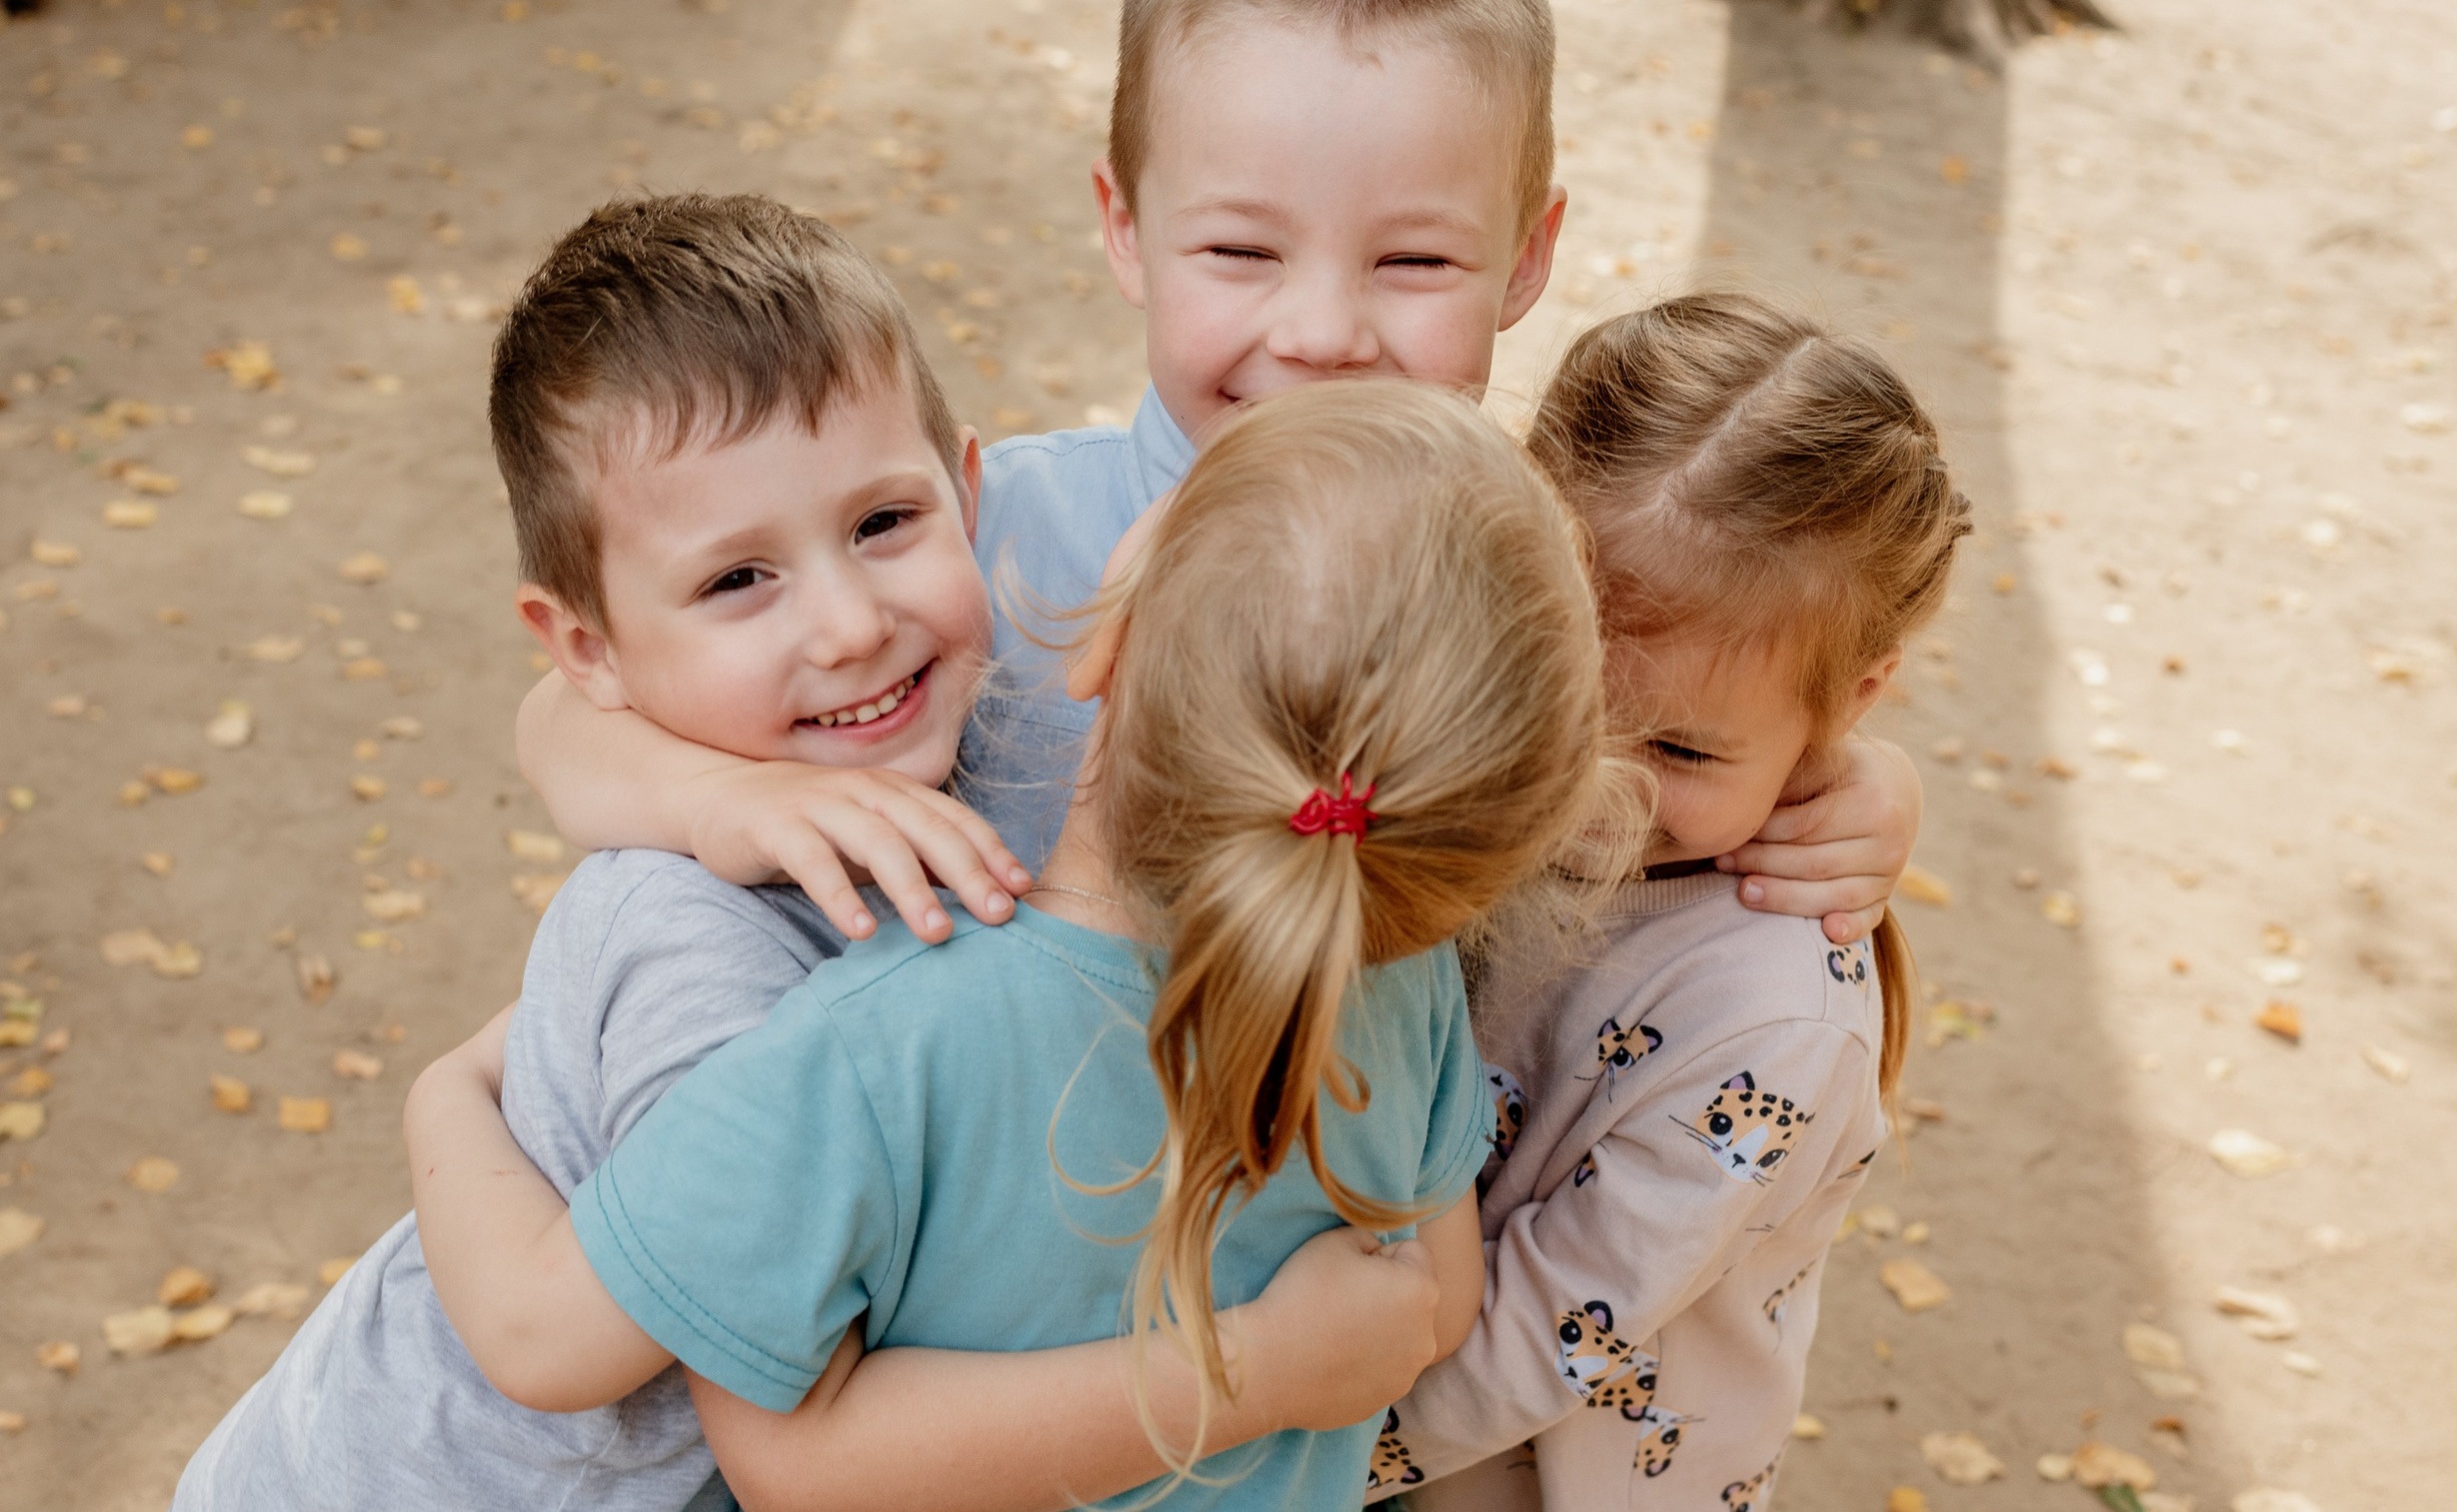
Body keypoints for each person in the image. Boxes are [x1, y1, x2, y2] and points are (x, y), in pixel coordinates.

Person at [173, 196, 1430, 1510]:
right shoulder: (707, 962)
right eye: (737, 581)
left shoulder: (1010, 751)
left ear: (969, 492)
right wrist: (443, 1091)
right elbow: (683, 1388)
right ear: (586, 648)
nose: (846, 625)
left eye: (886, 523)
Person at [510, 0, 1923, 944]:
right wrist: (721, 797)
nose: (1320, 333)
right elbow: (566, 718)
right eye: (1242, 251)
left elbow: (1701, 739)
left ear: (1527, 255)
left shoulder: (1546, 586)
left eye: (1416, 257)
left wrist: (1847, 788)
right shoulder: (959, 551)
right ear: (1124, 226)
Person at [404, 380, 1622, 1512]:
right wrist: (1283, 1366)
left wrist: (444, 1091)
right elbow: (1429, 1301)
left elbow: (758, 1441)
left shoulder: (869, 1046)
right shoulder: (1405, 988)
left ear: (1109, 635)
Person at [1368, 294, 1973, 1512]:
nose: (1599, 789)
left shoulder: (1774, 1020)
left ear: (1851, 700)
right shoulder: (1473, 745)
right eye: (1570, 691)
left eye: (1683, 753)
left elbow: (1547, 1334)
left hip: (1518, 1463)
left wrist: (1268, 1462)